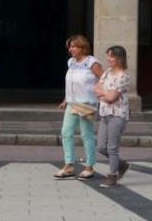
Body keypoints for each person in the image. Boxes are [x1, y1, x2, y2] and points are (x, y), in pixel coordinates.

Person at [54, 34, 103, 181]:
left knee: (86, 135)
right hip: (72, 103)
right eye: (70, 46)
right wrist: (65, 99)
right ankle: (69, 165)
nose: (71, 49)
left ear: (82, 47)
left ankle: (89, 167)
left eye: (74, 46)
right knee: (66, 132)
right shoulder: (71, 62)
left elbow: (105, 78)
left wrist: (100, 95)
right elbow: (71, 83)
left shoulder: (91, 62)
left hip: (86, 103)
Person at [94, 45, 131, 188]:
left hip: (118, 115)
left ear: (120, 58)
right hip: (104, 113)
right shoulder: (107, 73)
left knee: (112, 147)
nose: (108, 59)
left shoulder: (123, 77)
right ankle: (121, 164)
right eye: (108, 56)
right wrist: (105, 93)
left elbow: (111, 97)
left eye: (111, 56)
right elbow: (96, 88)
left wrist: (103, 93)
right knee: (101, 147)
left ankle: (112, 175)